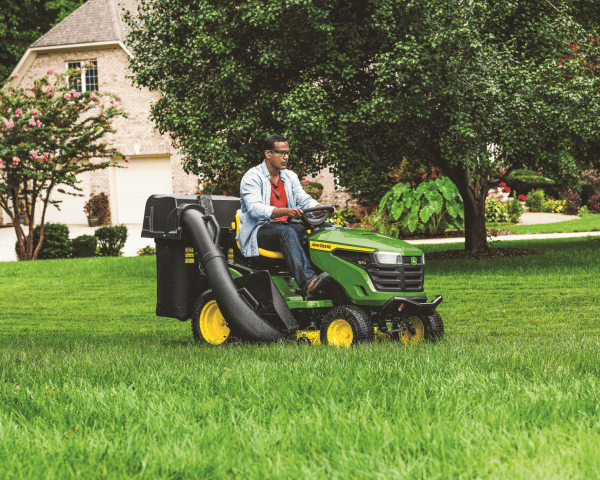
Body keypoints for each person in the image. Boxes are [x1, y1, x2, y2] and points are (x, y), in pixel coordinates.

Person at [237, 134, 333, 299]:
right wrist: (286, 211)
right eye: (281, 153)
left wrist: (319, 209)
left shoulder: (289, 177)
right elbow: (255, 209)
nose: (286, 157)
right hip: (259, 230)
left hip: (285, 226)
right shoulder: (252, 178)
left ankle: (329, 279)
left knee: (323, 230)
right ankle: (309, 284)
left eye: (287, 153)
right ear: (268, 154)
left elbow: (304, 200)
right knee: (286, 232)